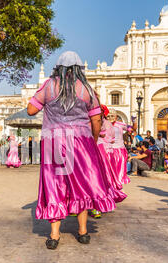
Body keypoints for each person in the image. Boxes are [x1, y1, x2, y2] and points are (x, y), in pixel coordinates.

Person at [27, 51, 119, 250]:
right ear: (79, 69)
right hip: (80, 141)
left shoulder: (49, 86)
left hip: (53, 140)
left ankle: (54, 235)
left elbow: (31, 110)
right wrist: (92, 141)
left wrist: (47, 102)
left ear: (58, 68)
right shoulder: (86, 88)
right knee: (82, 184)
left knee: (54, 183)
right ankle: (83, 232)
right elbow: (96, 120)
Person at [106, 110, 137, 185]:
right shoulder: (104, 124)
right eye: (108, 116)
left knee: (119, 166)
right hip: (108, 149)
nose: (110, 118)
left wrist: (134, 121)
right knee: (109, 167)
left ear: (116, 117)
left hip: (119, 149)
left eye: (112, 116)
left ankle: (118, 183)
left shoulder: (120, 124)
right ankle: (110, 183)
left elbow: (133, 128)